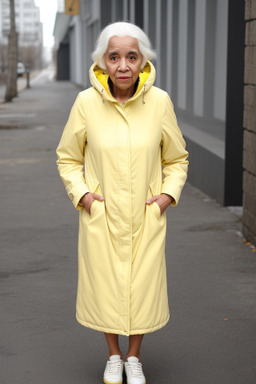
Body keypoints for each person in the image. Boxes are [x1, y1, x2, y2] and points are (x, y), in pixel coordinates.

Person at [56, 21, 188, 384]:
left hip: (146, 215)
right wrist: (83, 196)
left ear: (143, 60)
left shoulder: (158, 102)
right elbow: (68, 158)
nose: (123, 65)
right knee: (106, 285)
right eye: (114, 57)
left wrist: (166, 197)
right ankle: (113, 355)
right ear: (103, 62)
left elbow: (176, 159)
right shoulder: (86, 103)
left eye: (131, 56)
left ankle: (134, 356)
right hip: (103, 215)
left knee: (142, 287)